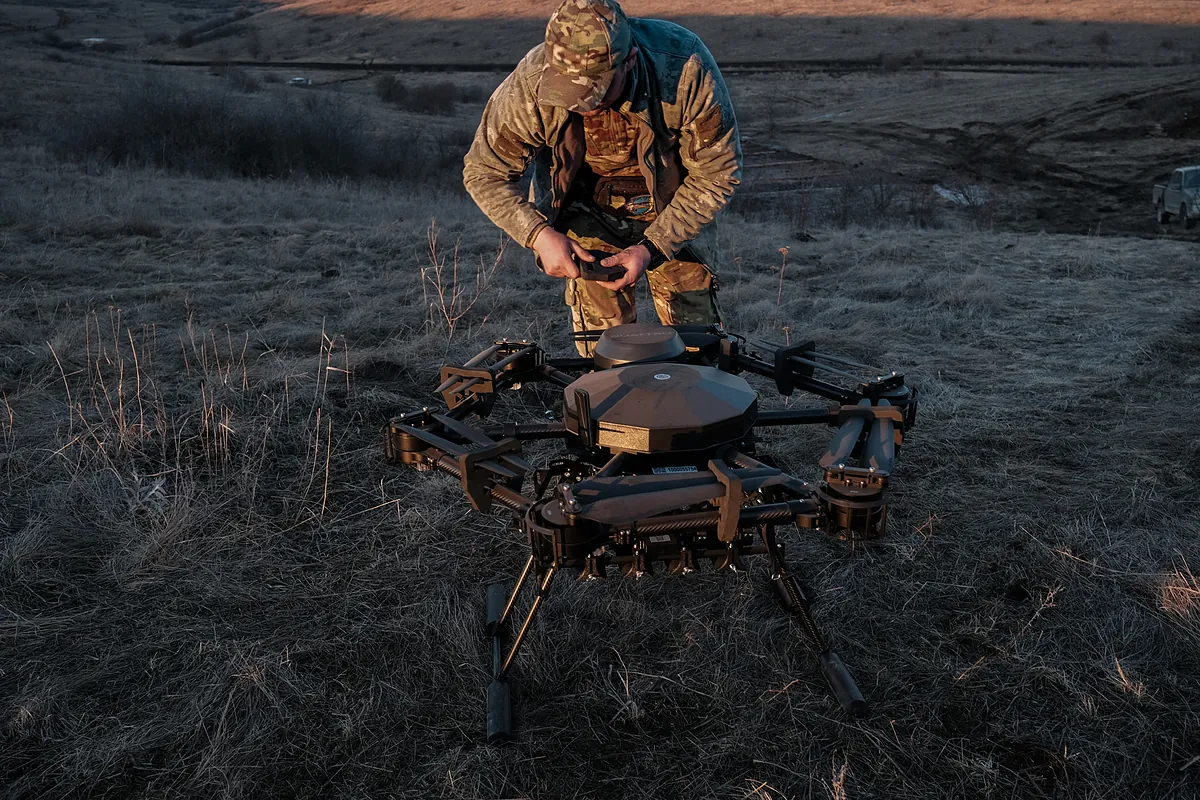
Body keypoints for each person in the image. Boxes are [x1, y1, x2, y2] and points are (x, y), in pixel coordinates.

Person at [462, 0, 741, 354]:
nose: (581, 104)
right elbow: (484, 171)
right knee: (603, 355)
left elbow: (718, 173)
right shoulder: (531, 85)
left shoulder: (684, 68)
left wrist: (653, 247)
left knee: (698, 344)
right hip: (585, 212)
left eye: (594, 92)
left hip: (675, 210)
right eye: (568, 94)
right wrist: (538, 235)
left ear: (629, 62)